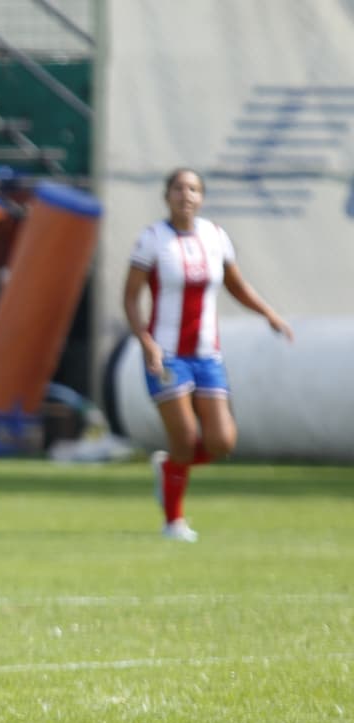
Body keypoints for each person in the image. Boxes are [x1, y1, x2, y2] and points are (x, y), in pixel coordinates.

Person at [123, 167, 293, 542]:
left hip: (206, 355)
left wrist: (269, 314)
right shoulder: (152, 239)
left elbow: (236, 284)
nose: (186, 195)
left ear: (202, 197)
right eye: (179, 188)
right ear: (167, 195)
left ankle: (168, 469)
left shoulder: (215, 236)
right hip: (165, 354)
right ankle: (174, 522)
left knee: (222, 442)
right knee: (184, 437)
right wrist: (145, 341)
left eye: (194, 189)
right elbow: (131, 296)